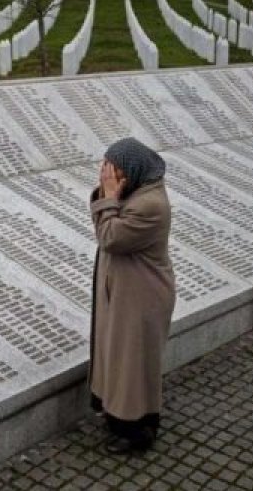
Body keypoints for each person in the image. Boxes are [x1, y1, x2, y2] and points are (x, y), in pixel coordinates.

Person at [88, 137, 176, 454]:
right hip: (127, 292)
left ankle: (136, 432)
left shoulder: (149, 205)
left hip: (142, 298)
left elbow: (109, 237)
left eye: (114, 171)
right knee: (122, 360)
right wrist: (109, 195)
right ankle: (122, 418)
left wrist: (109, 196)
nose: (107, 176)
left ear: (133, 171)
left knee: (132, 365)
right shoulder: (138, 191)